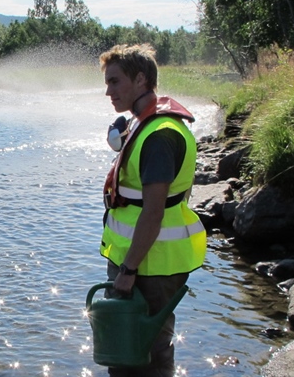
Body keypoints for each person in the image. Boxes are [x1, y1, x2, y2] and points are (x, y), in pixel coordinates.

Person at [98, 44, 206, 376]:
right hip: (140, 259)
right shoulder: (144, 127)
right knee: (130, 348)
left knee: (146, 352)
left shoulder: (160, 136)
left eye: (115, 81)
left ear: (141, 79)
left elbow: (153, 212)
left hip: (149, 265)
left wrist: (129, 270)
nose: (108, 91)